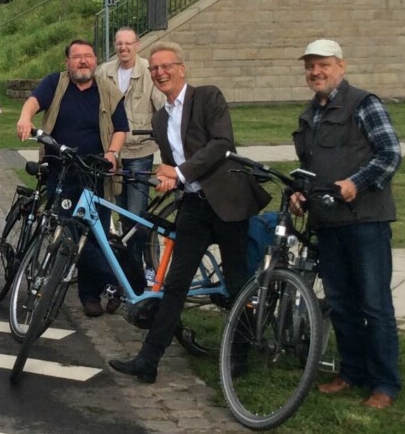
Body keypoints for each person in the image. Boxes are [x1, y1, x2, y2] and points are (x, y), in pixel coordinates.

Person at [109, 42, 269, 383]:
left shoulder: (208, 97)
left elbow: (222, 145)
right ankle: (148, 360)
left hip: (227, 202)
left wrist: (180, 174)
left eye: (167, 66)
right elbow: (174, 164)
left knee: (237, 281)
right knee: (175, 284)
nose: (161, 73)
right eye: (154, 69)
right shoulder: (160, 116)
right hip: (194, 206)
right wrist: (172, 179)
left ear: (182, 69)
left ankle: (240, 354)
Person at [293, 38, 403, 409]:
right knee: (340, 304)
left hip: (365, 221)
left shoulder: (363, 103)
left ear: (341, 65)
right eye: (310, 66)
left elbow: (390, 154)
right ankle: (352, 372)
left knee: (374, 304)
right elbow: (311, 169)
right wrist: (300, 193)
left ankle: (385, 384)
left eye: (323, 64)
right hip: (327, 221)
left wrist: (357, 182)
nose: (316, 72)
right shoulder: (310, 114)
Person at [15, 39, 128, 317]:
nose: (83, 61)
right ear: (67, 62)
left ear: (96, 60)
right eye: (76, 57)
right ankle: (113, 282)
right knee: (69, 230)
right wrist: (24, 117)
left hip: (95, 173)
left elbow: (121, 128)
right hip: (61, 169)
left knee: (95, 232)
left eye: (88, 56)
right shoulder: (57, 82)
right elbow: (33, 101)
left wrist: (112, 153)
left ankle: (92, 295)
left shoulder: (107, 89)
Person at [98, 27, 165, 260]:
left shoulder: (149, 71)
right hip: (114, 153)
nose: (123, 48)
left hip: (140, 151)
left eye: (128, 43)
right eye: (119, 44)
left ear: (137, 45)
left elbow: (163, 108)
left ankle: (146, 266)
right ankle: (129, 266)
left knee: (138, 215)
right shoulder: (104, 72)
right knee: (122, 213)